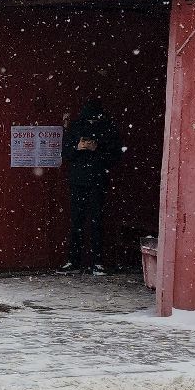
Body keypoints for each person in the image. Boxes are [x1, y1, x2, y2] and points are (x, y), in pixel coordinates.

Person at [60, 99, 121, 274]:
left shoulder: (108, 128)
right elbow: (65, 153)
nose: (92, 123)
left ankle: (97, 261)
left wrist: (98, 148)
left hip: (96, 180)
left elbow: (116, 155)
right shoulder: (77, 127)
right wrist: (78, 147)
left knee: (96, 222)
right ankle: (74, 260)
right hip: (80, 180)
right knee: (77, 221)